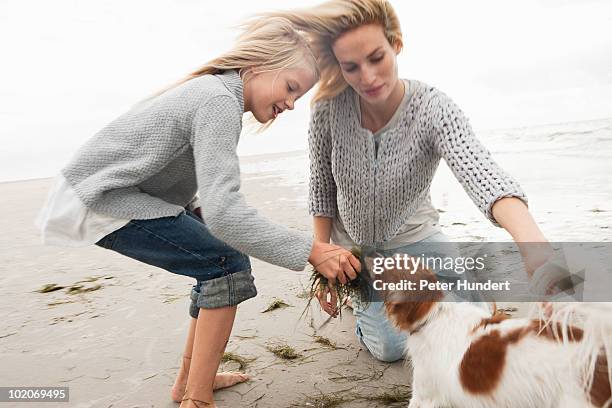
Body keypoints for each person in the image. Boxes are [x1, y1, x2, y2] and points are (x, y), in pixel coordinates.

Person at [35, 16, 361, 408]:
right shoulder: (219, 99)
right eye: (291, 87)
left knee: (216, 261)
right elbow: (226, 212)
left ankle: (189, 382)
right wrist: (313, 250)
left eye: (298, 97)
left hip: (107, 194)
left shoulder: (217, 94)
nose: (290, 104)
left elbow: (189, 181)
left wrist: (202, 215)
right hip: (102, 198)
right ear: (256, 67)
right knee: (225, 265)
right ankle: (197, 397)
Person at [267, 0, 554, 363]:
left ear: (395, 43)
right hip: (359, 251)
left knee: (478, 321)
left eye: (376, 58)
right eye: (351, 67)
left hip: (417, 234)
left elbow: (483, 174)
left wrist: (535, 248)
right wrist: (323, 261)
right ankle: (363, 308)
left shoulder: (433, 108)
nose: (367, 77)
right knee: (392, 349)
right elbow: (322, 188)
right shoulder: (327, 111)